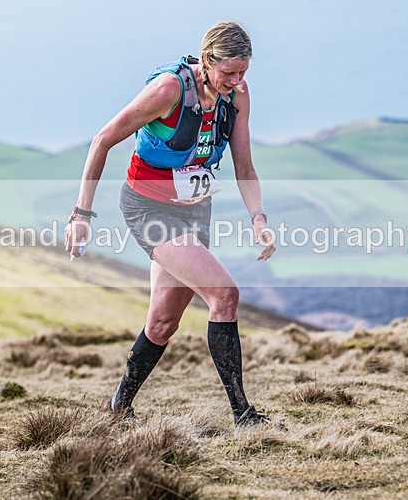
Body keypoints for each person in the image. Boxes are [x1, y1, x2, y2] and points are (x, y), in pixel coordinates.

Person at [63, 21, 276, 427]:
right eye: (228, 72)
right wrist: (82, 214)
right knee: (224, 295)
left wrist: (258, 217)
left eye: (243, 71)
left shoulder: (238, 96)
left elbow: (244, 164)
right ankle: (242, 415)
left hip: (195, 209)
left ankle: (117, 407)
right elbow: (102, 140)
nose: (237, 80)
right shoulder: (169, 90)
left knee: (162, 323)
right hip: (148, 209)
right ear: (207, 59)